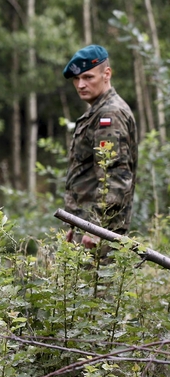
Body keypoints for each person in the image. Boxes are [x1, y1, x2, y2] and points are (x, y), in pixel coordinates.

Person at [62, 44, 138, 250]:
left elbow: (115, 176)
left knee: (98, 283)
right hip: (86, 226)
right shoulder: (98, 112)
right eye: (77, 79)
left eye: (88, 77)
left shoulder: (109, 115)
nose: (80, 85)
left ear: (107, 74)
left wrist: (96, 227)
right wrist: (73, 223)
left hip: (99, 233)